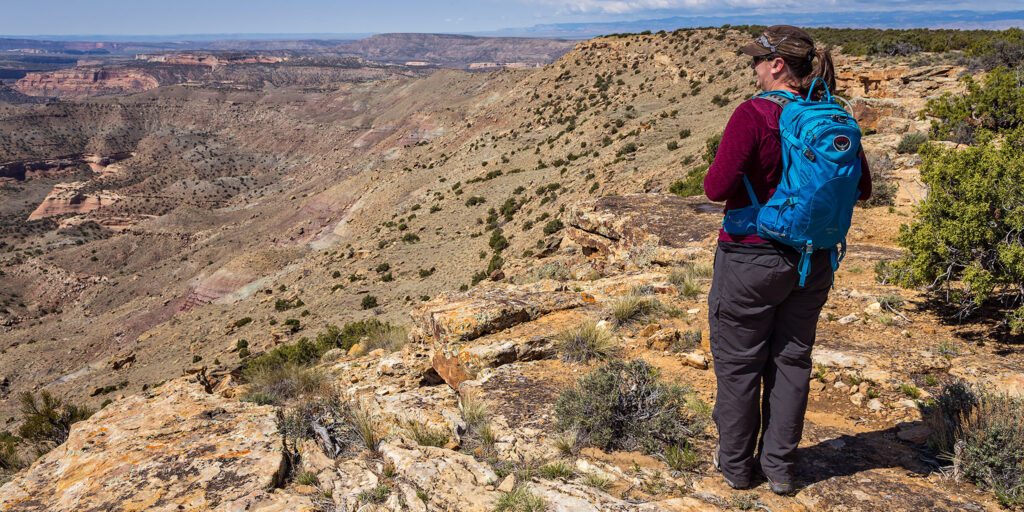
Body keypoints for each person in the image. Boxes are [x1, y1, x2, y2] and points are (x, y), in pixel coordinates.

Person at [702, 25, 872, 494]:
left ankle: (736, 468)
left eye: (757, 59)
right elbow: (863, 188)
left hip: (751, 259)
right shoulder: (831, 114)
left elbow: (716, 188)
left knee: (740, 364)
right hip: (813, 260)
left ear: (778, 65)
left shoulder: (753, 114)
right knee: (792, 360)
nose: (753, 67)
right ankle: (779, 468)